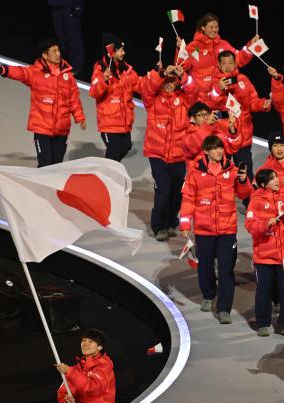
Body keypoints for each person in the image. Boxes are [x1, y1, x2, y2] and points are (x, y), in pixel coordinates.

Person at [180, 135, 252, 324]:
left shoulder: (233, 170)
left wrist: (244, 181)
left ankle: (224, 309)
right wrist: (185, 225)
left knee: (227, 270)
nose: (219, 151)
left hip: (228, 229)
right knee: (205, 266)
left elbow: (245, 194)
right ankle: (208, 294)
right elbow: (188, 199)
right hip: (204, 230)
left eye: (221, 148)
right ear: (206, 151)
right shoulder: (195, 173)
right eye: (215, 148)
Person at [0, 39, 86, 168]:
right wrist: (0, 69)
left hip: (62, 128)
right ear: (45, 55)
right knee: (44, 164)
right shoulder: (35, 73)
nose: (58, 53)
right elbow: (20, 72)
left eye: (58, 50)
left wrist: (79, 117)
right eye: (54, 51)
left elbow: (74, 98)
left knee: (57, 165)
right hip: (42, 127)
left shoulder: (68, 75)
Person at [245, 168, 284, 338]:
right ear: (264, 183)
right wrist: (266, 224)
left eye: (276, 177)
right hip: (264, 256)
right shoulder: (256, 200)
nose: (277, 180)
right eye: (272, 178)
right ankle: (263, 323)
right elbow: (250, 225)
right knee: (264, 290)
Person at [140, 63, 196, 241]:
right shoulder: (152, 100)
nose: (170, 84)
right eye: (166, 81)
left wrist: (185, 77)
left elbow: (196, 92)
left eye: (173, 81)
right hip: (157, 154)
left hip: (179, 155)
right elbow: (147, 87)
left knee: (177, 192)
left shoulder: (184, 99)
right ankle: (159, 226)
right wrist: (162, 72)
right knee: (163, 190)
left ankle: (171, 222)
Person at [207, 50, 272, 189]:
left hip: (243, 136)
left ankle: (251, 206)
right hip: (222, 137)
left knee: (245, 172)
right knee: (221, 173)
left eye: (231, 62)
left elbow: (253, 101)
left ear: (235, 63)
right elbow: (209, 104)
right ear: (218, 64)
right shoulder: (213, 81)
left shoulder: (243, 79)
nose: (228, 66)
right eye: (224, 63)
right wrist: (218, 90)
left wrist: (263, 104)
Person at [178, 13, 257, 102]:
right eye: (211, 27)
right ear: (203, 28)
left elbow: (238, 59)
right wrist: (181, 50)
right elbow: (182, 65)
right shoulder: (194, 47)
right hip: (201, 99)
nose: (214, 30)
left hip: (222, 96)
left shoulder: (224, 44)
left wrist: (250, 47)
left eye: (216, 27)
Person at [89, 33, 141, 162]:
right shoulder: (100, 68)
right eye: (121, 50)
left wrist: (157, 76)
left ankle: (106, 175)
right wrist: (103, 81)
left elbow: (141, 85)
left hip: (124, 123)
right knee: (114, 153)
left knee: (125, 148)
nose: (124, 53)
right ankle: (104, 178)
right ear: (112, 51)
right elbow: (94, 92)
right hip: (109, 124)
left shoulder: (126, 69)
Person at [56, 328, 115, 403]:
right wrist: (67, 400)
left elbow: (93, 388)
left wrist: (69, 372)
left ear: (100, 347)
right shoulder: (76, 369)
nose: (85, 344)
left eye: (90, 341)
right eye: (84, 340)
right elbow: (62, 392)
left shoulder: (104, 366)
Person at [183, 101, 240, 170]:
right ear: (192, 119)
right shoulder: (188, 136)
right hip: (198, 175)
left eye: (207, 114)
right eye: (201, 115)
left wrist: (232, 130)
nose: (206, 117)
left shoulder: (215, 131)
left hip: (218, 174)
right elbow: (193, 148)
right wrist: (207, 125)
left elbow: (231, 149)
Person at [48, 0, 85, 78]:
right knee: (60, 37)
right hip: (56, 6)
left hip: (70, 6)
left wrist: (77, 6)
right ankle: (60, 65)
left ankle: (77, 69)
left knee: (74, 38)